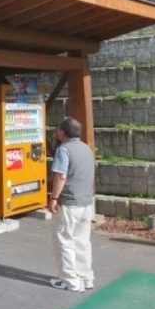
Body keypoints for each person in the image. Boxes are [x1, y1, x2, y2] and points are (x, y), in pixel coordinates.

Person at [48, 116, 95, 292]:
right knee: (82, 241)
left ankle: (70, 280)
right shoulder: (86, 149)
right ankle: (86, 278)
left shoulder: (64, 150)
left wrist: (54, 198)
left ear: (62, 132)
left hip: (69, 202)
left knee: (64, 240)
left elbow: (61, 176)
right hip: (86, 202)